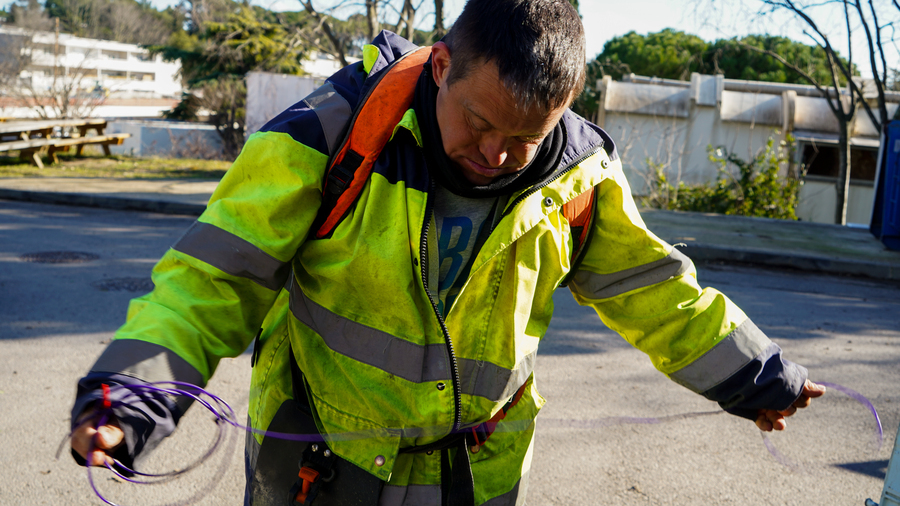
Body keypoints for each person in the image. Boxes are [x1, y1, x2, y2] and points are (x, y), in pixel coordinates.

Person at [70, 1, 825, 504]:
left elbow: (655, 290)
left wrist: (754, 375)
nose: (495, 155)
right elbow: (210, 280)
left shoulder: (580, 179)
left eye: (525, 137)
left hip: (476, 478)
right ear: (441, 67)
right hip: (315, 470)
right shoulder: (330, 134)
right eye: (478, 121)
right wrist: (130, 397)